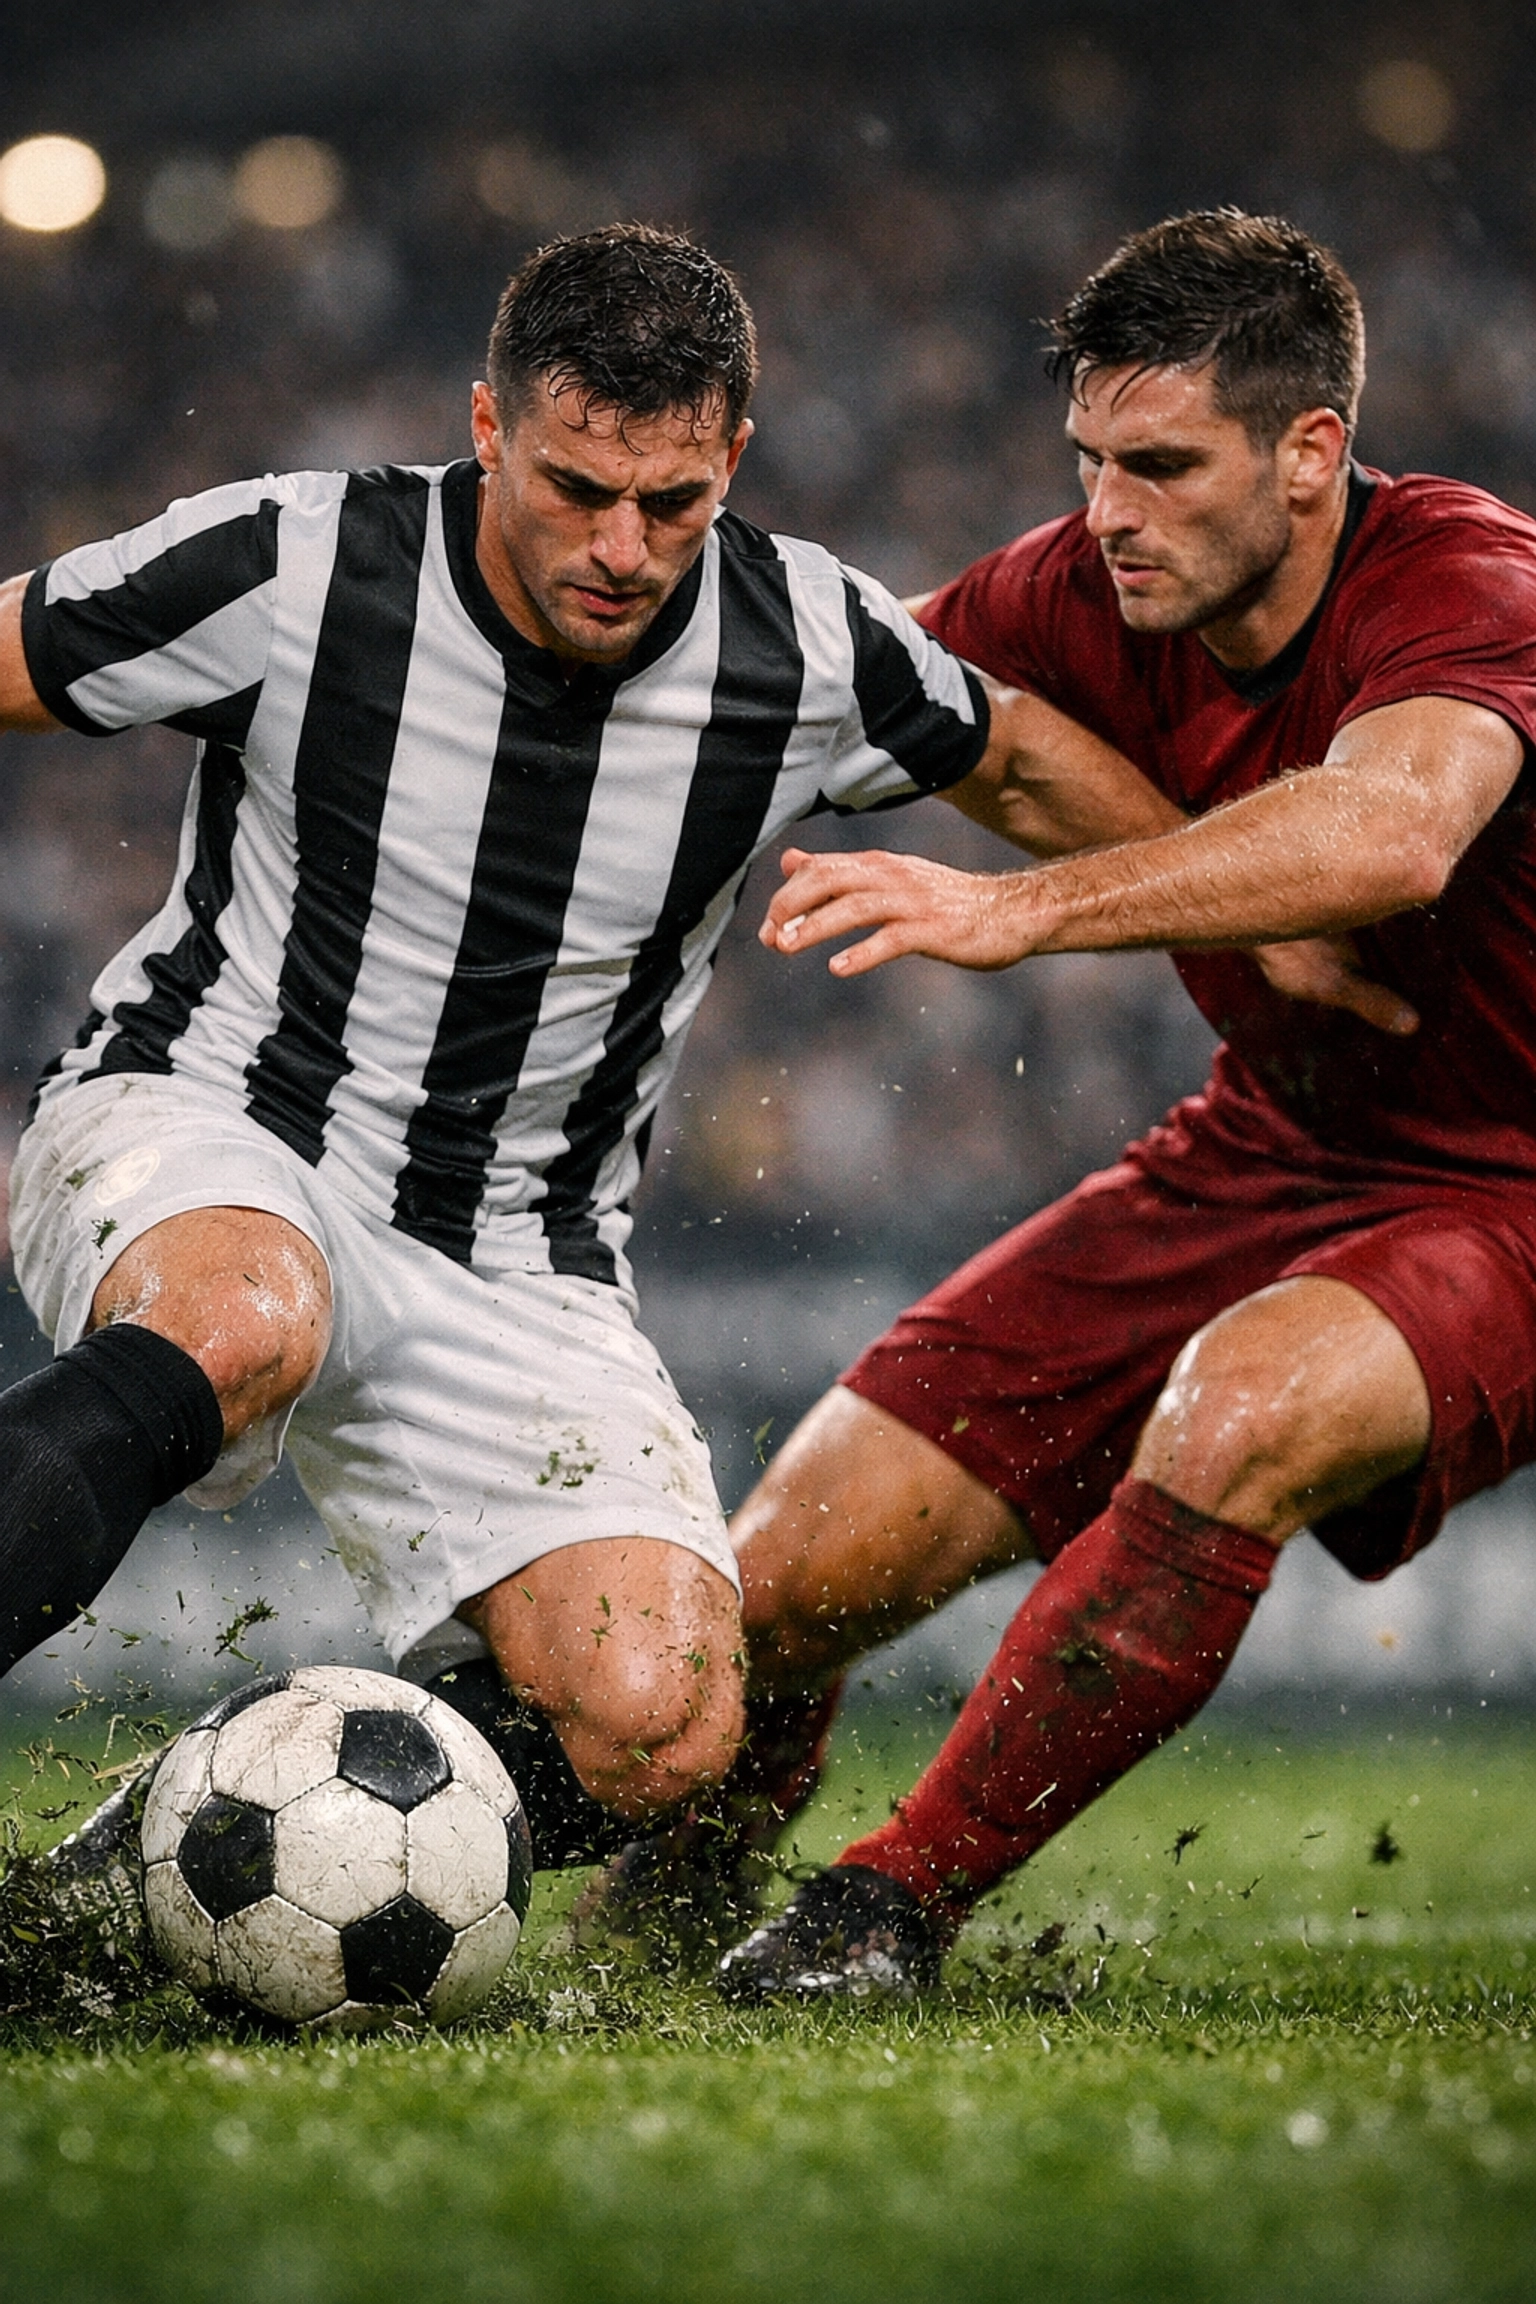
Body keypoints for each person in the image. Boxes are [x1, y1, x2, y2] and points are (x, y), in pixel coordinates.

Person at [591, 208, 1536, 1992]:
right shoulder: (1073, 587)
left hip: (1513, 1183)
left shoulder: (1465, 580)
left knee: (1241, 1414)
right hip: (1267, 1148)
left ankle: (888, 1911)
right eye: (1092, 460)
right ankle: (689, 1882)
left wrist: (1013, 910)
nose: (1114, 512)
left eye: (1166, 467)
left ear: (1313, 452)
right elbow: (826, 696)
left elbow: (1396, 830)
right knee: (780, 1588)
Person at [0, 223, 1015, 1883]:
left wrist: (1294, 919)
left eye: (672, 503)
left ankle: (153, 1863)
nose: (622, 545)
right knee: (245, 1311)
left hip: (518, 1252)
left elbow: (1042, 777)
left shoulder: (809, 644)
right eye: (573, 487)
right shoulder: (299, 562)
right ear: (487, 428)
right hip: (209, 1116)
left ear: (732, 462)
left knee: (664, 1719)